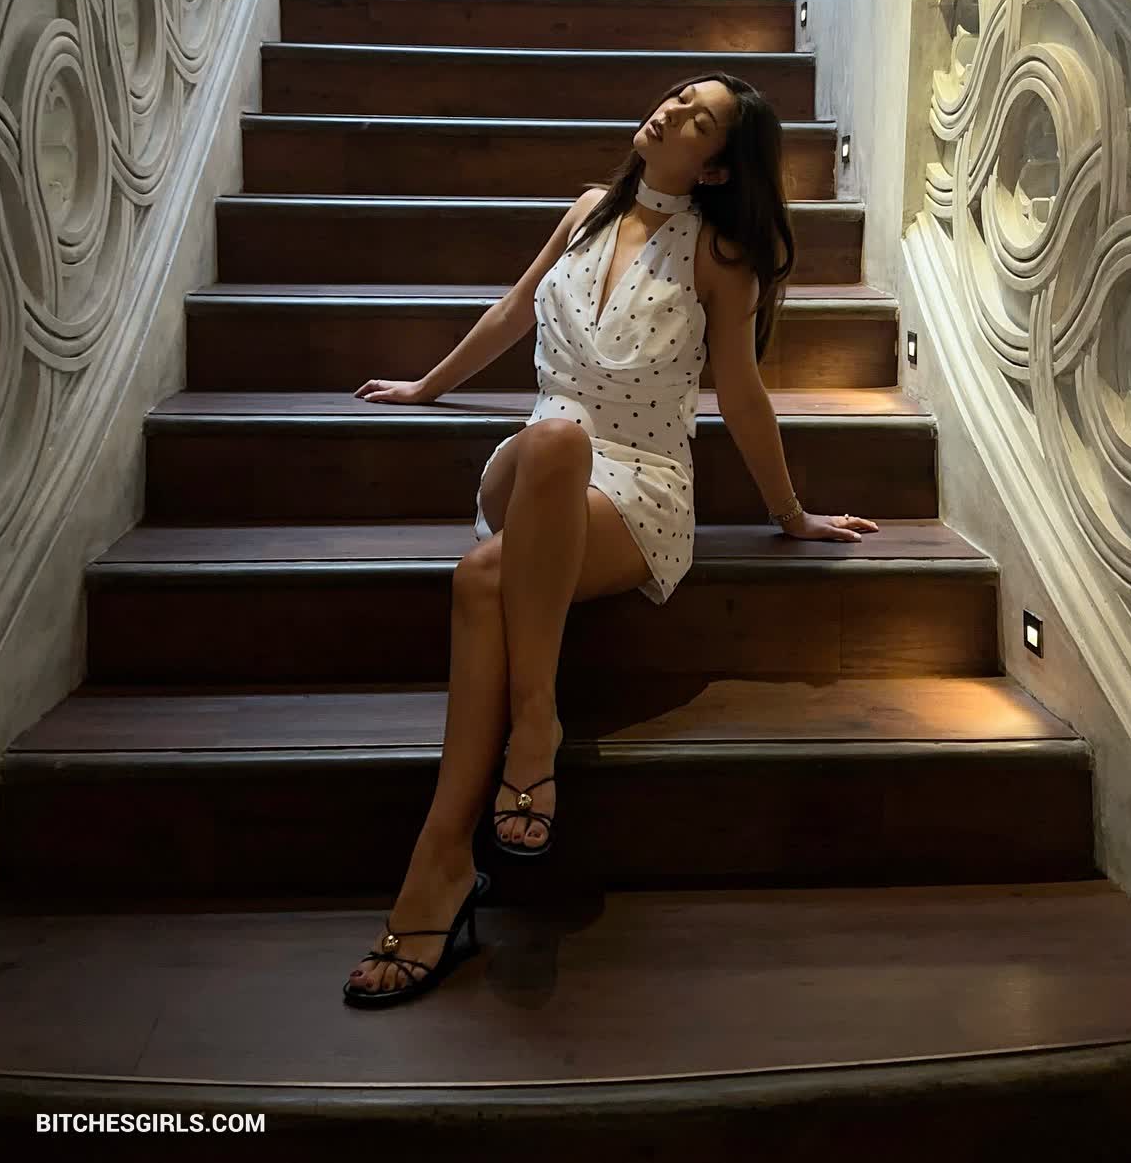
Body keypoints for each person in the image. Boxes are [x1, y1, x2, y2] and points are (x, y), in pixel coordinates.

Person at [343, 73, 878, 1003]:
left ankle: (439, 865)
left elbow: (741, 394)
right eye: (676, 97)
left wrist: (791, 512)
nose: (669, 111)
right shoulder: (588, 209)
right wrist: (426, 387)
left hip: (640, 486)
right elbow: (514, 310)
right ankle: (535, 723)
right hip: (538, 466)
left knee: (479, 580)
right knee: (554, 438)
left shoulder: (720, 257)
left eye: (697, 119)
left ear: (715, 170)